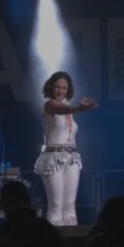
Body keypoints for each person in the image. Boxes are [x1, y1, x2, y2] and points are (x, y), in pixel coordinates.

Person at [34, 71, 98, 226]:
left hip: (72, 158)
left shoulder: (69, 109)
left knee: (69, 205)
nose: (60, 91)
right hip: (52, 158)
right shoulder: (49, 105)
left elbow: (67, 109)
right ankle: (54, 238)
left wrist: (77, 109)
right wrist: (79, 108)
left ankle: (72, 238)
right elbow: (62, 109)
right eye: (57, 87)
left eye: (64, 88)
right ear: (51, 87)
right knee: (56, 204)